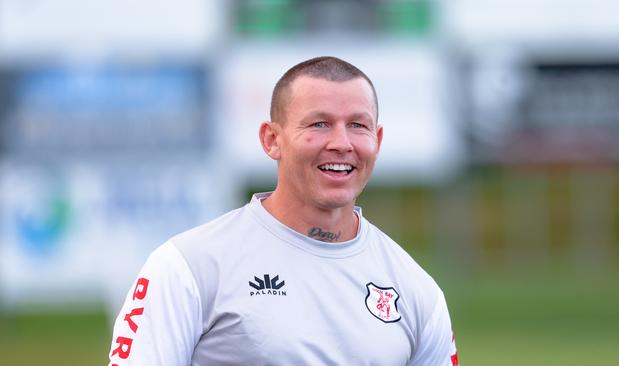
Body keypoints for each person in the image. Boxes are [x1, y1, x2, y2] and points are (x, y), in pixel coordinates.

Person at [108, 56, 459, 366]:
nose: (341, 142)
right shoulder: (189, 267)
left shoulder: (416, 291)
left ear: (377, 141)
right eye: (319, 124)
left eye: (358, 125)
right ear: (271, 139)